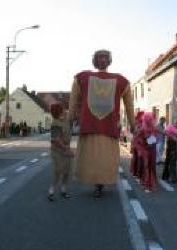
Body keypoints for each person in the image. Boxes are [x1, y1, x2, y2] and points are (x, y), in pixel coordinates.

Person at [68, 49, 134, 198]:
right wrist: (133, 125)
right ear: (107, 61)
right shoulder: (121, 81)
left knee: (92, 159)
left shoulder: (82, 78)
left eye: (103, 58)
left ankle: (97, 184)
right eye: (102, 58)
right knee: (105, 159)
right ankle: (100, 183)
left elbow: (72, 102)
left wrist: (70, 119)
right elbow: (129, 106)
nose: (103, 61)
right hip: (108, 128)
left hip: (91, 126)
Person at [47, 103, 74, 201]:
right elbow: (55, 140)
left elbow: (72, 115)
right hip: (57, 150)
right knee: (57, 171)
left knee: (66, 171)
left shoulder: (65, 120)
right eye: (62, 109)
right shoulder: (55, 123)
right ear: (58, 111)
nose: (64, 110)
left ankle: (63, 190)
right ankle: (51, 191)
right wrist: (66, 150)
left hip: (66, 147)